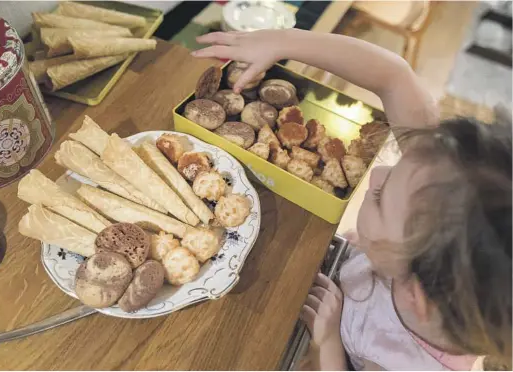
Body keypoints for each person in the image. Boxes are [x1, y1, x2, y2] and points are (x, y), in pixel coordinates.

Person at [192, 29, 512, 371]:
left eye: (378, 197)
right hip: (329, 272)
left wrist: (327, 345)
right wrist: (285, 42)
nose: (375, 175)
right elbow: (394, 76)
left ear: (415, 294)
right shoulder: (437, 183)